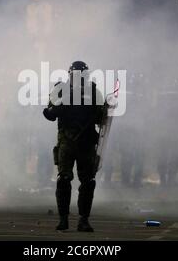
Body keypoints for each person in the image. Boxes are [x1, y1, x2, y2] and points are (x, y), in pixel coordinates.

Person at [43, 61, 105, 232]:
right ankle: (64, 219)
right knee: (64, 180)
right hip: (67, 142)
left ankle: (83, 219)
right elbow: (50, 114)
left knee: (88, 182)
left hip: (86, 143)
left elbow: (102, 120)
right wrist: (62, 103)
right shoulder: (60, 90)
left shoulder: (94, 92)